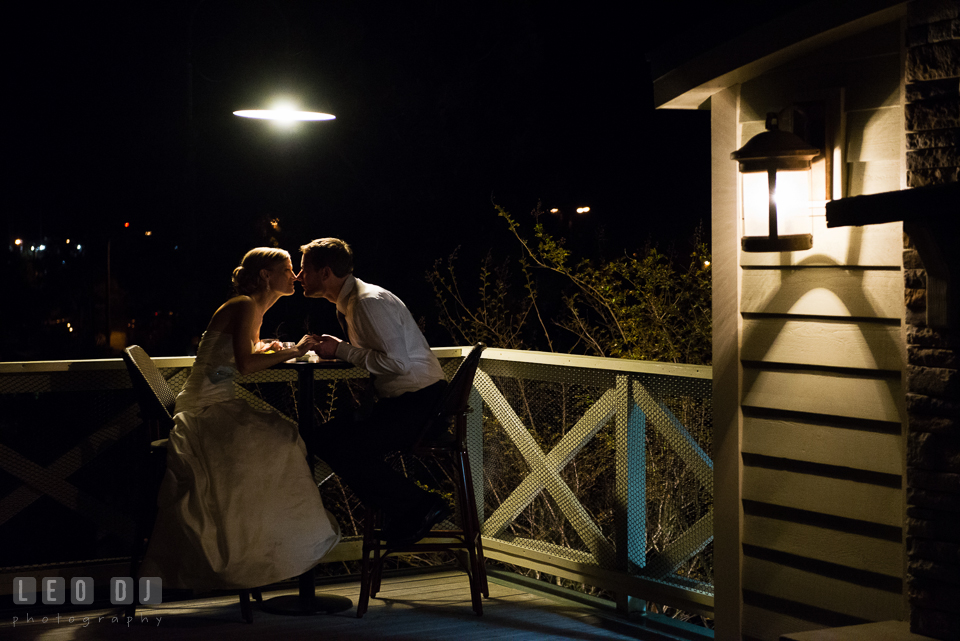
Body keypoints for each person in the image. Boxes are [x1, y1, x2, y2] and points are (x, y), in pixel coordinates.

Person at [139, 247, 341, 590]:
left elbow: (231, 358)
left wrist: (267, 347)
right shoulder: (244, 304)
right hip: (203, 407)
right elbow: (244, 366)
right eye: (288, 268)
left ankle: (268, 548)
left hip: (216, 399)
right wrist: (295, 350)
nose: (294, 275)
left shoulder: (251, 308)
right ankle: (263, 552)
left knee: (284, 436)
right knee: (282, 440)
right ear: (266, 275)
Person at [296, 237, 450, 546]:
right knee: (319, 439)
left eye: (304, 270)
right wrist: (341, 349)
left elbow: (397, 364)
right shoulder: (356, 301)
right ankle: (408, 509)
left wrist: (342, 351)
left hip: (421, 405)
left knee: (338, 446)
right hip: (409, 402)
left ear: (325, 273)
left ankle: (419, 506)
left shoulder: (367, 302)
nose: (299, 277)